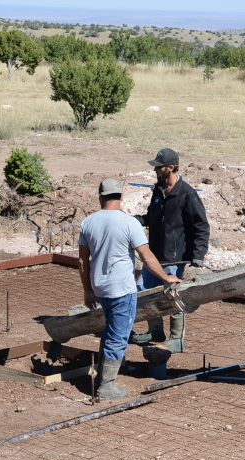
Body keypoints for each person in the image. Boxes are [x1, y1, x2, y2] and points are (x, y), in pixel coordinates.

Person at [79, 179, 182, 400]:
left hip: (100, 288)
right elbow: (146, 257)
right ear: (121, 197)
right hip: (122, 291)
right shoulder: (129, 223)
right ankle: (106, 387)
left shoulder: (88, 222)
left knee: (110, 332)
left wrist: (87, 290)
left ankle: (101, 378)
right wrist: (166, 278)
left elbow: (82, 262)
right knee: (118, 337)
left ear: (100, 197)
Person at [130, 147, 210, 352]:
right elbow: (153, 217)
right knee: (145, 292)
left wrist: (198, 254)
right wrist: (136, 220)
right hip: (153, 256)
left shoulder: (187, 194)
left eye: (159, 167)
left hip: (174, 258)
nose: (155, 170)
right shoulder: (158, 191)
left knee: (173, 295)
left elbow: (201, 225)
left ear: (171, 168)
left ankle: (177, 338)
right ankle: (156, 331)